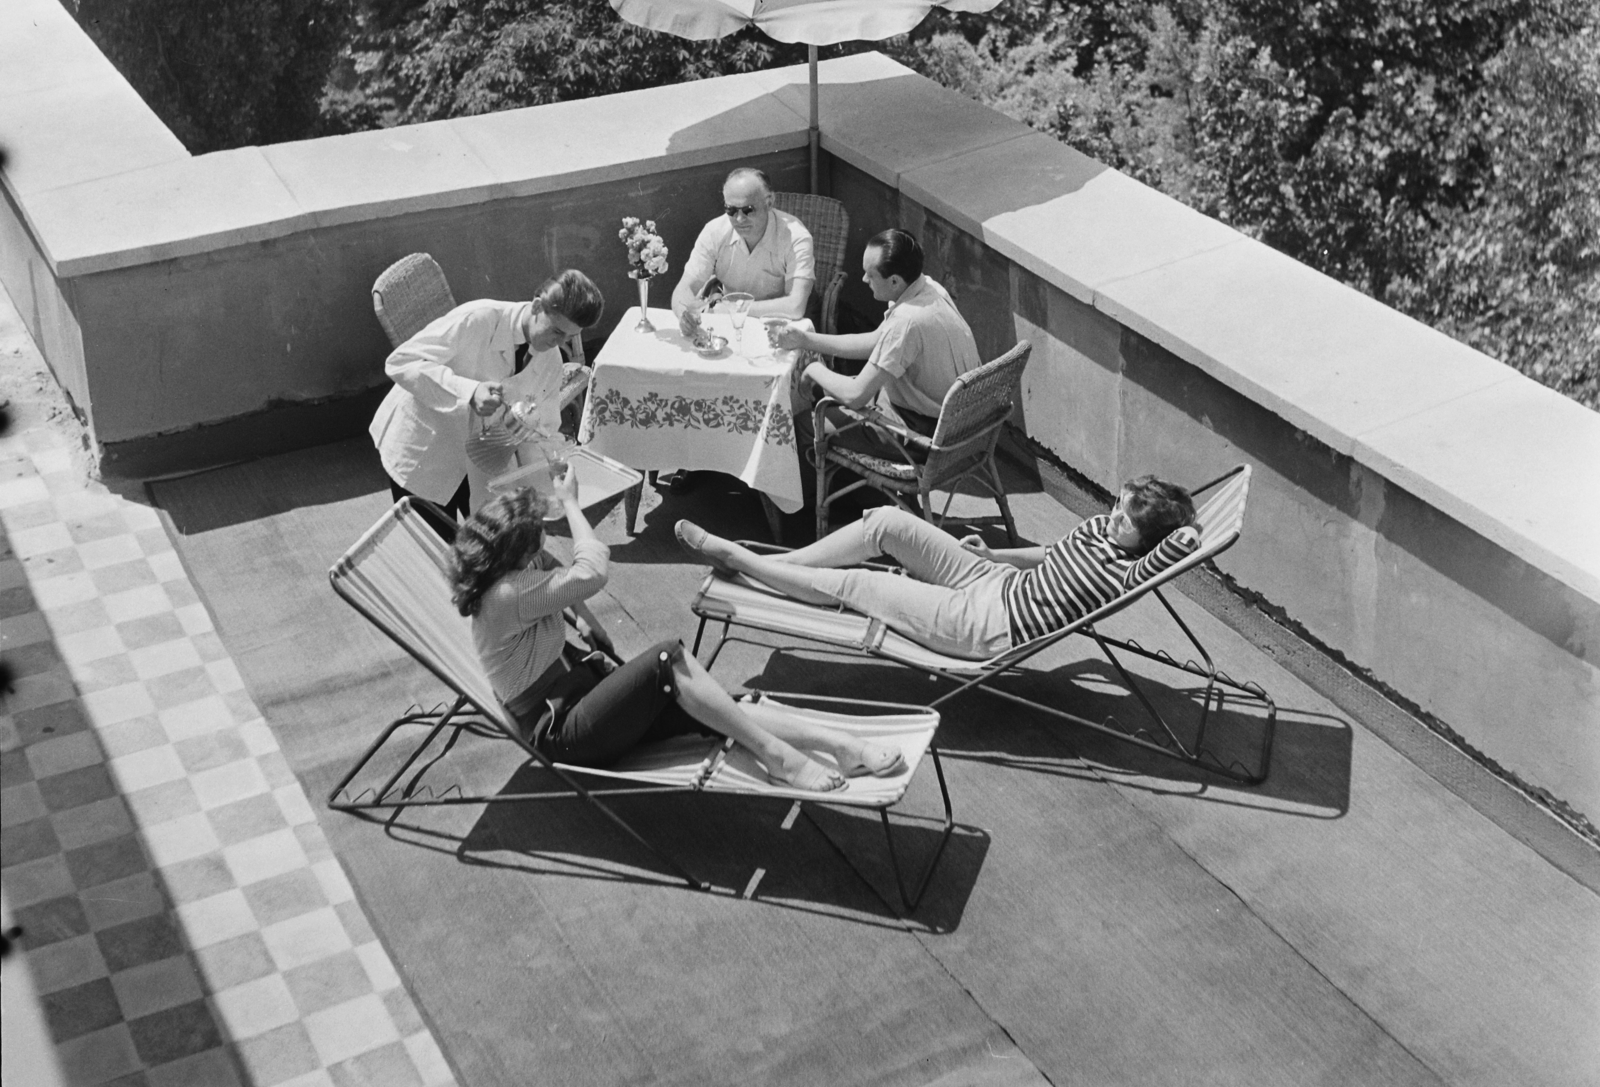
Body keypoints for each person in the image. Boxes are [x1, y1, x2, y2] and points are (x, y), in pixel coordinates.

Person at [450, 469, 904, 790]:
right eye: (540, 536)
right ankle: (781, 759)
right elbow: (591, 570)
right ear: (518, 551)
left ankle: (840, 743)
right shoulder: (509, 593)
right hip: (563, 732)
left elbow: (555, 570)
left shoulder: (506, 577)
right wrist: (570, 502)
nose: (547, 542)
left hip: (582, 696)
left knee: (717, 705)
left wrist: (587, 620)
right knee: (668, 660)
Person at [675, 477, 1200, 661]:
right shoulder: (1097, 530)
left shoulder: (1128, 571)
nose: (1113, 519)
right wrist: (995, 556)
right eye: (1117, 506)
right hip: (994, 579)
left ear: (1146, 540)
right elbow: (1047, 556)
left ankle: (738, 558)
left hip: (983, 625)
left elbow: (1180, 546)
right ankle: (776, 566)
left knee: (860, 583)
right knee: (887, 523)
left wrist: (1184, 531)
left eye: (1127, 521)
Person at [371, 270, 605, 532]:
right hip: (427, 451)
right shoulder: (479, 318)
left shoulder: (551, 361)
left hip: (484, 462)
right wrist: (469, 392)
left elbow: (544, 430)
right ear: (538, 306)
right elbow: (401, 362)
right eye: (556, 331)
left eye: (569, 337)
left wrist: (552, 471)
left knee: (488, 552)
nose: (559, 343)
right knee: (437, 554)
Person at [770, 229, 979, 440]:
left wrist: (813, 368)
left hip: (924, 432)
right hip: (957, 419)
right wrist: (805, 340)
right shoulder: (929, 288)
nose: (863, 279)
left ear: (895, 281)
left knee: (803, 425)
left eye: (871, 275)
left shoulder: (906, 322)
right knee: (820, 392)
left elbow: (855, 396)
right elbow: (875, 342)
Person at [670, 167, 814, 320]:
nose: (739, 219)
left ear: (769, 202)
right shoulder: (714, 231)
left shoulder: (795, 237)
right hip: (729, 319)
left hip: (777, 322)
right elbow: (684, 288)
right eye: (731, 210)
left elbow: (795, 306)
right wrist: (685, 316)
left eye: (748, 210)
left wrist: (733, 308)